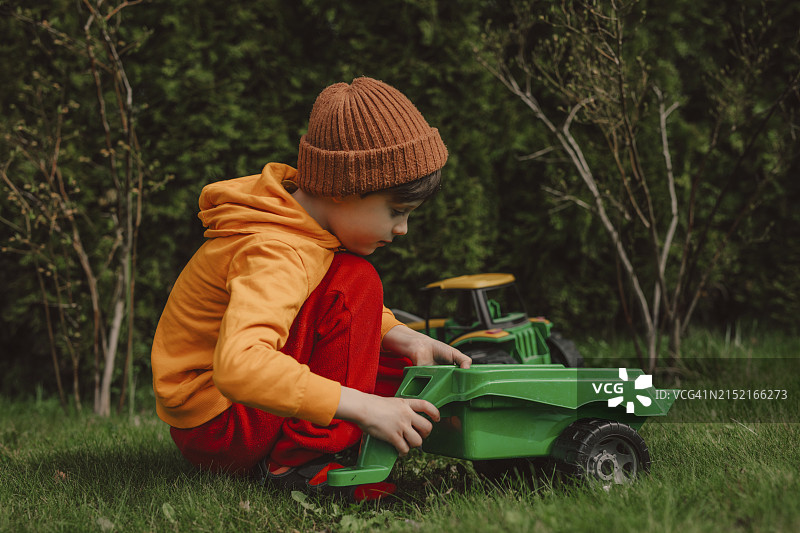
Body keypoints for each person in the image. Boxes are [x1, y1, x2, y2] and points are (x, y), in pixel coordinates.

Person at [150, 77, 471, 501]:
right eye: (396, 210)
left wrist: (403, 336)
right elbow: (239, 366)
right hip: (221, 424)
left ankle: (346, 435)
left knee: (397, 363)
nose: (402, 229)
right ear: (344, 189)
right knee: (357, 281)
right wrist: (366, 407)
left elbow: (320, 306)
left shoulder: (299, 229)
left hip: (228, 418)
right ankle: (304, 463)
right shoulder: (276, 250)